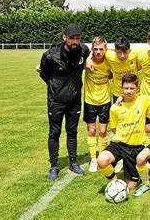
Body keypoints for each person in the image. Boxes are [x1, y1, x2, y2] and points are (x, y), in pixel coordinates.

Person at [38, 24, 90, 181]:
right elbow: (43, 73)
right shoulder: (50, 55)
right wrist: (56, 88)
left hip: (74, 101)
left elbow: (89, 60)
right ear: (64, 38)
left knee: (72, 132)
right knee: (54, 132)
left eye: (78, 38)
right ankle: (54, 166)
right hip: (56, 101)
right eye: (72, 38)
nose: (75, 41)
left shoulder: (84, 50)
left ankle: (73, 163)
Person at [97, 74, 150, 190]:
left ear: (137, 88)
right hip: (119, 144)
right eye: (126, 88)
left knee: (131, 187)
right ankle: (115, 184)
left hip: (136, 148)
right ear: (121, 88)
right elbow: (114, 129)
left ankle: (140, 170)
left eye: (132, 88)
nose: (129, 91)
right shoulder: (115, 108)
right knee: (102, 160)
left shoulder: (144, 100)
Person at [83, 36, 112, 172]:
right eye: (95, 49)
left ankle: (102, 157)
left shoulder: (109, 61)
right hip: (90, 101)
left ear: (105, 49)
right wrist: (88, 58)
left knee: (102, 131)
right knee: (91, 130)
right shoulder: (87, 62)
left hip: (105, 100)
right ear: (92, 50)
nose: (98, 52)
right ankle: (93, 159)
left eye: (101, 49)